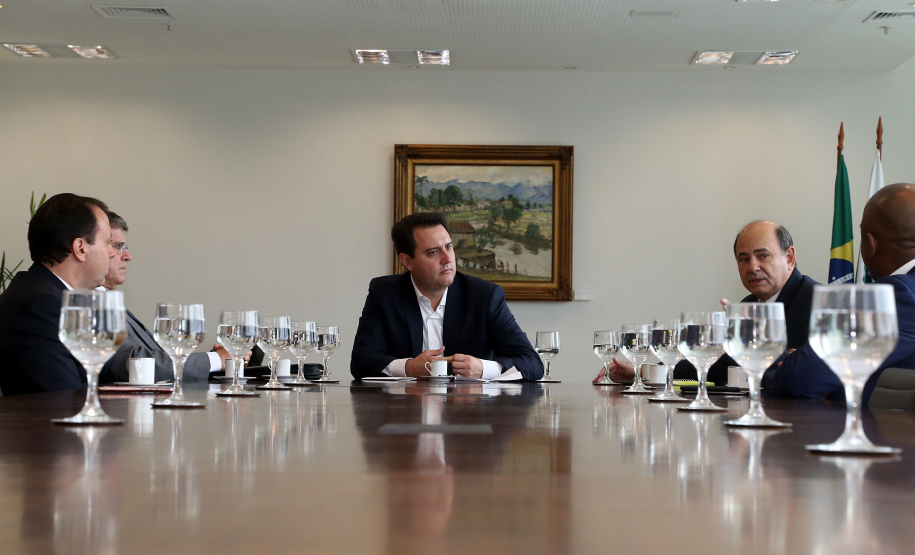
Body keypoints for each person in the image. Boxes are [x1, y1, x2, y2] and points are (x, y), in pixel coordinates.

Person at [596, 220, 818, 384]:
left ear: (789, 258)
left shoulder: (819, 302)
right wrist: (641, 371)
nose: (752, 267)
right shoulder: (749, 304)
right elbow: (714, 366)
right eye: (744, 258)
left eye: (763, 256)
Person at [762, 183, 915, 404]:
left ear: (870, 244)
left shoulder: (900, 294)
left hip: (877, 434)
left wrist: (781, 367)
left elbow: (800, 376)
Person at [351, 212, 543, 380]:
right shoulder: (385, 293)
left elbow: (532, 363)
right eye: (433, 252)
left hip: (468, 414)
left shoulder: (484, 296)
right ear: (407, 261)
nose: (447, 259)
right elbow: (361, 362)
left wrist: (484, 368)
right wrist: (408, 367)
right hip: (404, 414)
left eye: (449, 247)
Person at [0, 193, 115, 395]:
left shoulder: (47, 295)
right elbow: (66, 398)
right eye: (107, 242)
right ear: (80, 248)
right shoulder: (40, 307)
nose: (112, 253)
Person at [97, 212, 228, 384]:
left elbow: (152, 357)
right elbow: (134, 363)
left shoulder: (106, 299)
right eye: (118, 246)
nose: (128, 256)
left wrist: (218, 362)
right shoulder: (89, 302)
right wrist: (215, 360)